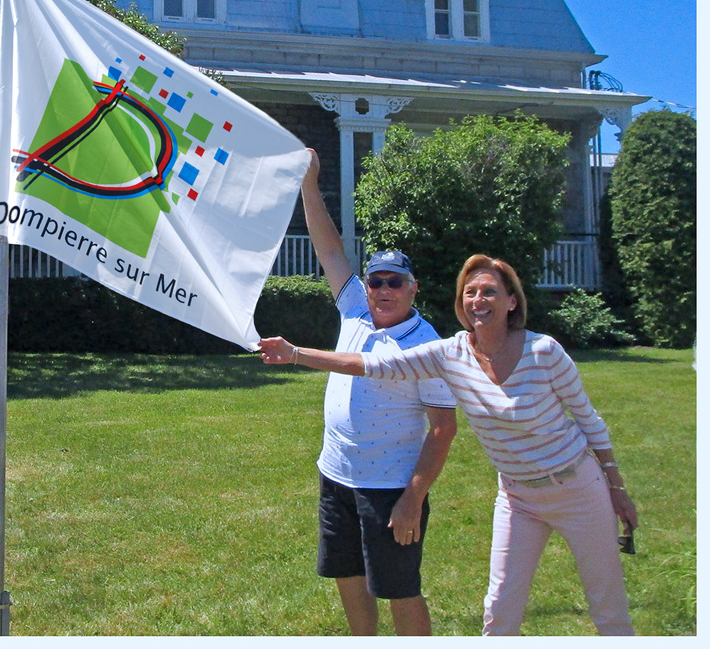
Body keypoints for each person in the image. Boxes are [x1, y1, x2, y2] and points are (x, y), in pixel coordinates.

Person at [259, 253, 638, 636]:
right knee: (499, 611)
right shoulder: (451, 353)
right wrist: (295, 354)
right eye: (470, 292)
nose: (478, 300)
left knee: (608, 609)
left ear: (511, 301)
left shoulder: (544, 352)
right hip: (518, 497)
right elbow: (374, 365)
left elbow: (589, 420)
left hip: (577, 487)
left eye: (490, 291)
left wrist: (617, 489)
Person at [296, 149, 457, 636]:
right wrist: (309, 182)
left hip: (389, 486)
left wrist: (413, 497)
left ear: (413, 288)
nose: (383, 289)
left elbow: (443, 427)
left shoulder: (427, 345)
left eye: (394, 282)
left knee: (400, 588)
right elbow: (329, 248)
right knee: (347, 574)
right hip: (337, 474)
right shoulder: (355, 309)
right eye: (376, 281)